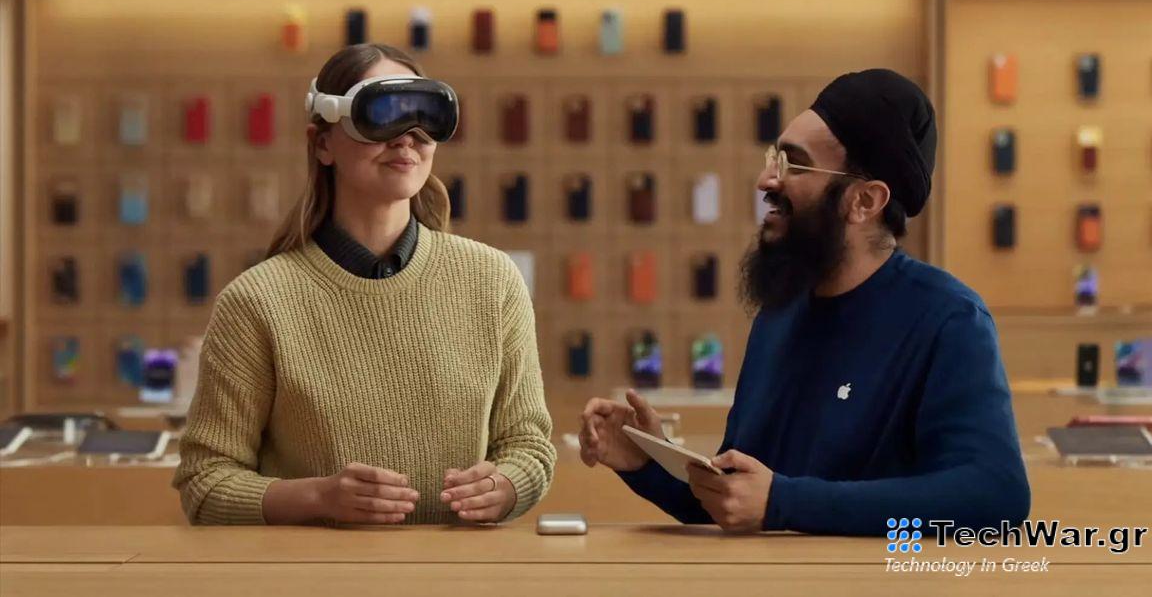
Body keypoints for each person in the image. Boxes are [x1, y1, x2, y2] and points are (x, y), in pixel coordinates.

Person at [580, 69, 1030, 535]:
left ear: (864, 201)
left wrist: (784, 501)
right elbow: (741, 497)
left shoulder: (948, 319)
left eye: (793, 165)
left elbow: (994, 496)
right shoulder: (780, 312)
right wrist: (647, 460)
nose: (764, 181)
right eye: (773, 158)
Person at [173, 43, 555, 525]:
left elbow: (528, 445)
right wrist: (319, 499)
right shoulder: (256, 302)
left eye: (425, 117)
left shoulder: (493, 281)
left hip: (460, 579)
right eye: (383, 115)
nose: (408, 139)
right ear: (322, 143)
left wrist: (505, 486)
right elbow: (205, 484)